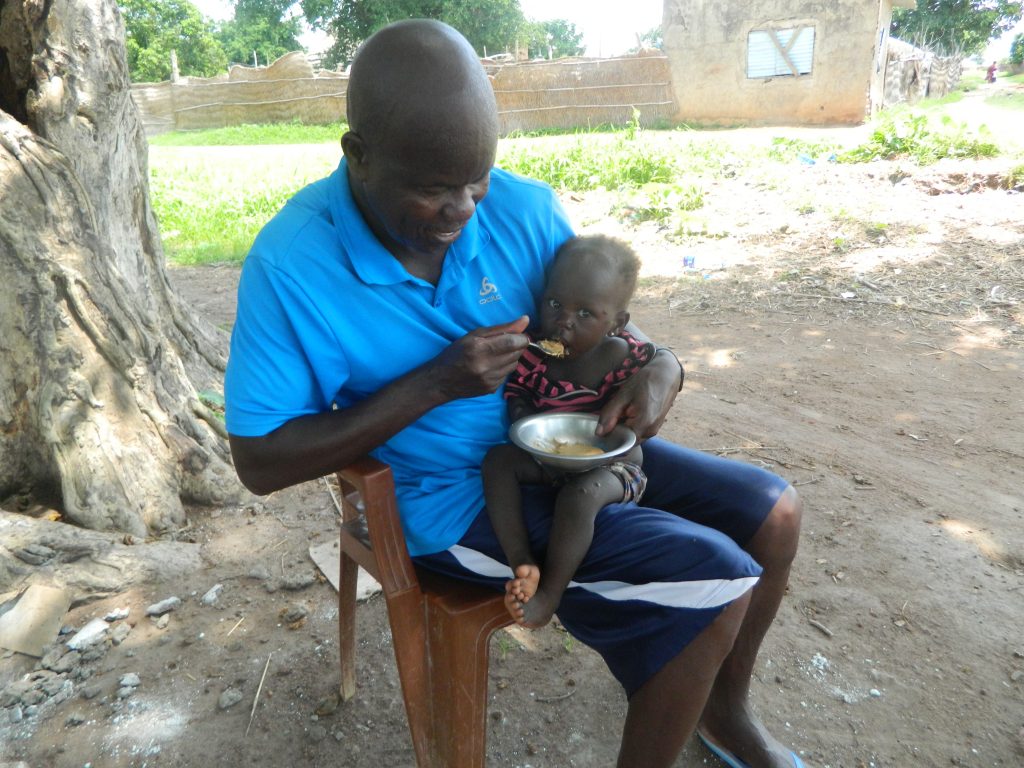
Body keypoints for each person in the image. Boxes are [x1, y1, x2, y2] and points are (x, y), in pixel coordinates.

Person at [224, 18, 804, 768]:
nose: (464, 211)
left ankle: (723, 711)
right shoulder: (292, 266)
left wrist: (661, 367)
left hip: (562, 444)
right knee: (712, 573)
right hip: (445, 502)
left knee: (773, 513)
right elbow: (260, 462)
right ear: (358, 156)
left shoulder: (522, 212)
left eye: (476, 181)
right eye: (434, 189)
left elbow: (588, 332)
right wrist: (436, 383)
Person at [482, 234, 654, 628]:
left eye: (585, 314)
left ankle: (550, 595)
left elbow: (639, 417)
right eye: (555, 304)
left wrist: (627, 421)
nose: (564, 322)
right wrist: (522, 414)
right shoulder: (536, 353)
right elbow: (519, 392)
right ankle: (523, 563)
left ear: (617, 322)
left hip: (614, 469)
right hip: (551, 457)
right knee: (497, 462)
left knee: (580, 495)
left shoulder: (626, 359)